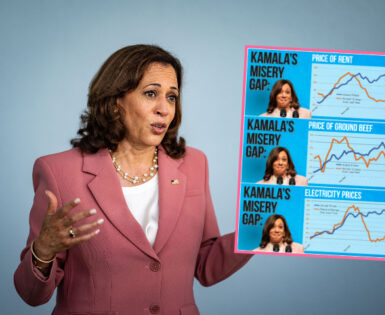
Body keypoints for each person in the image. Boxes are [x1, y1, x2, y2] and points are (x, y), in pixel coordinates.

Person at [14, 44, 252, 315]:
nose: (164, 109)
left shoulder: (194, 164)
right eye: (151, 93)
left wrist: (260, 230)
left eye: (172, 97)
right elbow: (30, 295)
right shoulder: (58, 171)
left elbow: (207, 267)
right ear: (115, 102)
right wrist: (42, 251)